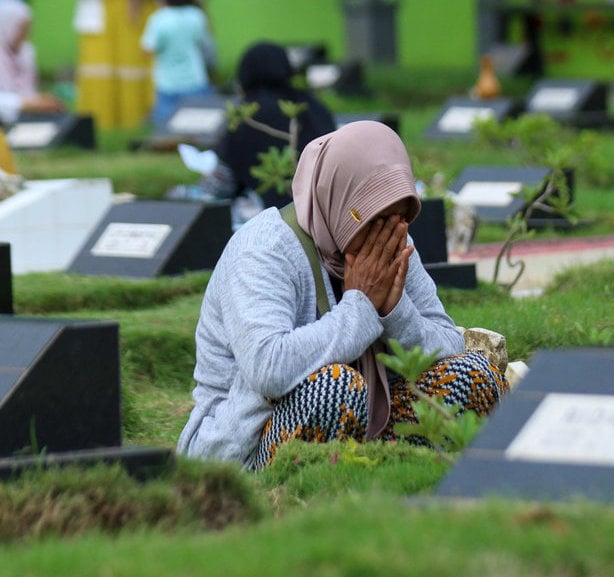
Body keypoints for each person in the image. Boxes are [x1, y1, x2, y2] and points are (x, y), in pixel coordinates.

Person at [177, 121, 511, 470]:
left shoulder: (392, 242)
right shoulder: (263, 249)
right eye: (373, 215)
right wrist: (361, 306)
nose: (387, 233)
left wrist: (394, 310)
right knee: (334, 388)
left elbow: (449, 343)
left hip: (365, 422)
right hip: (243, 447)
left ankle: (394, 484)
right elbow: (268, 368)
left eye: (399, 216)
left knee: (474, 375)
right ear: (339, 198)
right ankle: (292, 503)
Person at [167, 41, 336, 227]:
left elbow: (222, 184)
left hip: (271, 217)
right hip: (323, 214)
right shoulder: (313, 107)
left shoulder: (248, 115)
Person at [74, 0, 157, 130]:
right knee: (102, 67)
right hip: (104, 13)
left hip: (127, 10)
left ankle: (131, 121)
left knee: (130, 64)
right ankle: (100, 122)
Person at [140, 0, 215, 126]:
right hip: (195, 79)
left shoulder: (159, 19)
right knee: (196, 127)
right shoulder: (196, 15)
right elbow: (204, 45)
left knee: (167, 130)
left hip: (167, 83)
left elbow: (147, 49)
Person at [0, 0, 66, 125]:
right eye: (20, 29)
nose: (25, 35)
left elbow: (26, 90)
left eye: (28, 29)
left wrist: (40, 101)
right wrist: (26, 104)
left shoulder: (26, 52)